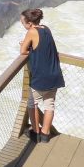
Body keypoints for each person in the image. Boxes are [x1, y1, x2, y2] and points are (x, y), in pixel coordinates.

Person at [19, 8, 65, 143]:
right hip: (54, 74)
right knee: (49, 105)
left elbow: (23, 52)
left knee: (32, 103)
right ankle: (45, 134)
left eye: (23, 23)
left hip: (41, 77)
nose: (23, 25)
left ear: (30, 23)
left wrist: (25, 46)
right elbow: (43, 47)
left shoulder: (31, 31)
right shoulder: (46, 28)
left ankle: (36, 132)